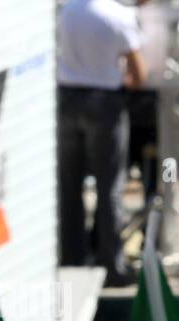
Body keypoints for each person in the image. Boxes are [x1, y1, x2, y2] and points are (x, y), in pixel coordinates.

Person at [57, 0, 149, 286]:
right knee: (109, 187)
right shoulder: (118, 16)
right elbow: (139, 76)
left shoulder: (67, 11)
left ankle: (73, 261)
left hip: (66, 100)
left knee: (69, 187)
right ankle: (112, 266)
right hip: (104, 103)